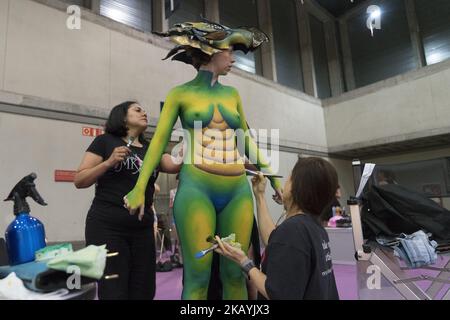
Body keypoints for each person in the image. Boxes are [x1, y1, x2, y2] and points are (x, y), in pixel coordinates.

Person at [123, 21, 282, 299]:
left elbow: (247, 141)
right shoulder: (180, 94)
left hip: (237, 191)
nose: (233, 58)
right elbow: (159, 141)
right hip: (197, 189)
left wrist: (275, 180)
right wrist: (139, 187)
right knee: (198, 277)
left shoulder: (232, 94)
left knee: (236, 274)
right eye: (229, 51)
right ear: (210, 51)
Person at [74, 101, 180, 300]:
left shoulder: (152, 148)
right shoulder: (105, 142)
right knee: (114, 291)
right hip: (107, 227)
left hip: (142, 229)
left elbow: (175, 164)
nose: (144, 113)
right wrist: (109, 162)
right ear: (123, 117)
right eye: (137, 110)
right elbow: (79, 180)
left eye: (144, 110)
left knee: (144, 291)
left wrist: (196, 140)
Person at [215, 157, 340, 300]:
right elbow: (274, 241)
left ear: (296, 187)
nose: (285, 183)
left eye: (289, 179)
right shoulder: (314, 228)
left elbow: (277, 294)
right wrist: (260, 195)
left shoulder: (294, 230)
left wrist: (243, 261)